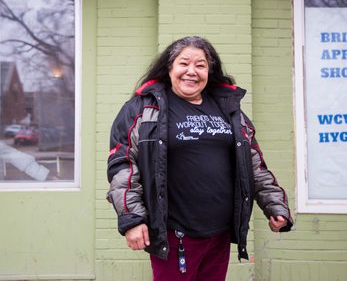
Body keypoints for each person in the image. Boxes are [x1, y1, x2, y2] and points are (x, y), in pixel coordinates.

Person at [106, 36, 293, 280]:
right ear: (170, 68)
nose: (191, 72)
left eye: (200, 65)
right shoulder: (143, 109)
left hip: (219, 234)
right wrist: (132, 219)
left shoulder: (229, 110)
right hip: (175, 234)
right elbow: (123, 166)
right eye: (184, 63)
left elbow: (253, 164)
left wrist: (274, 205)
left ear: (209, 70)